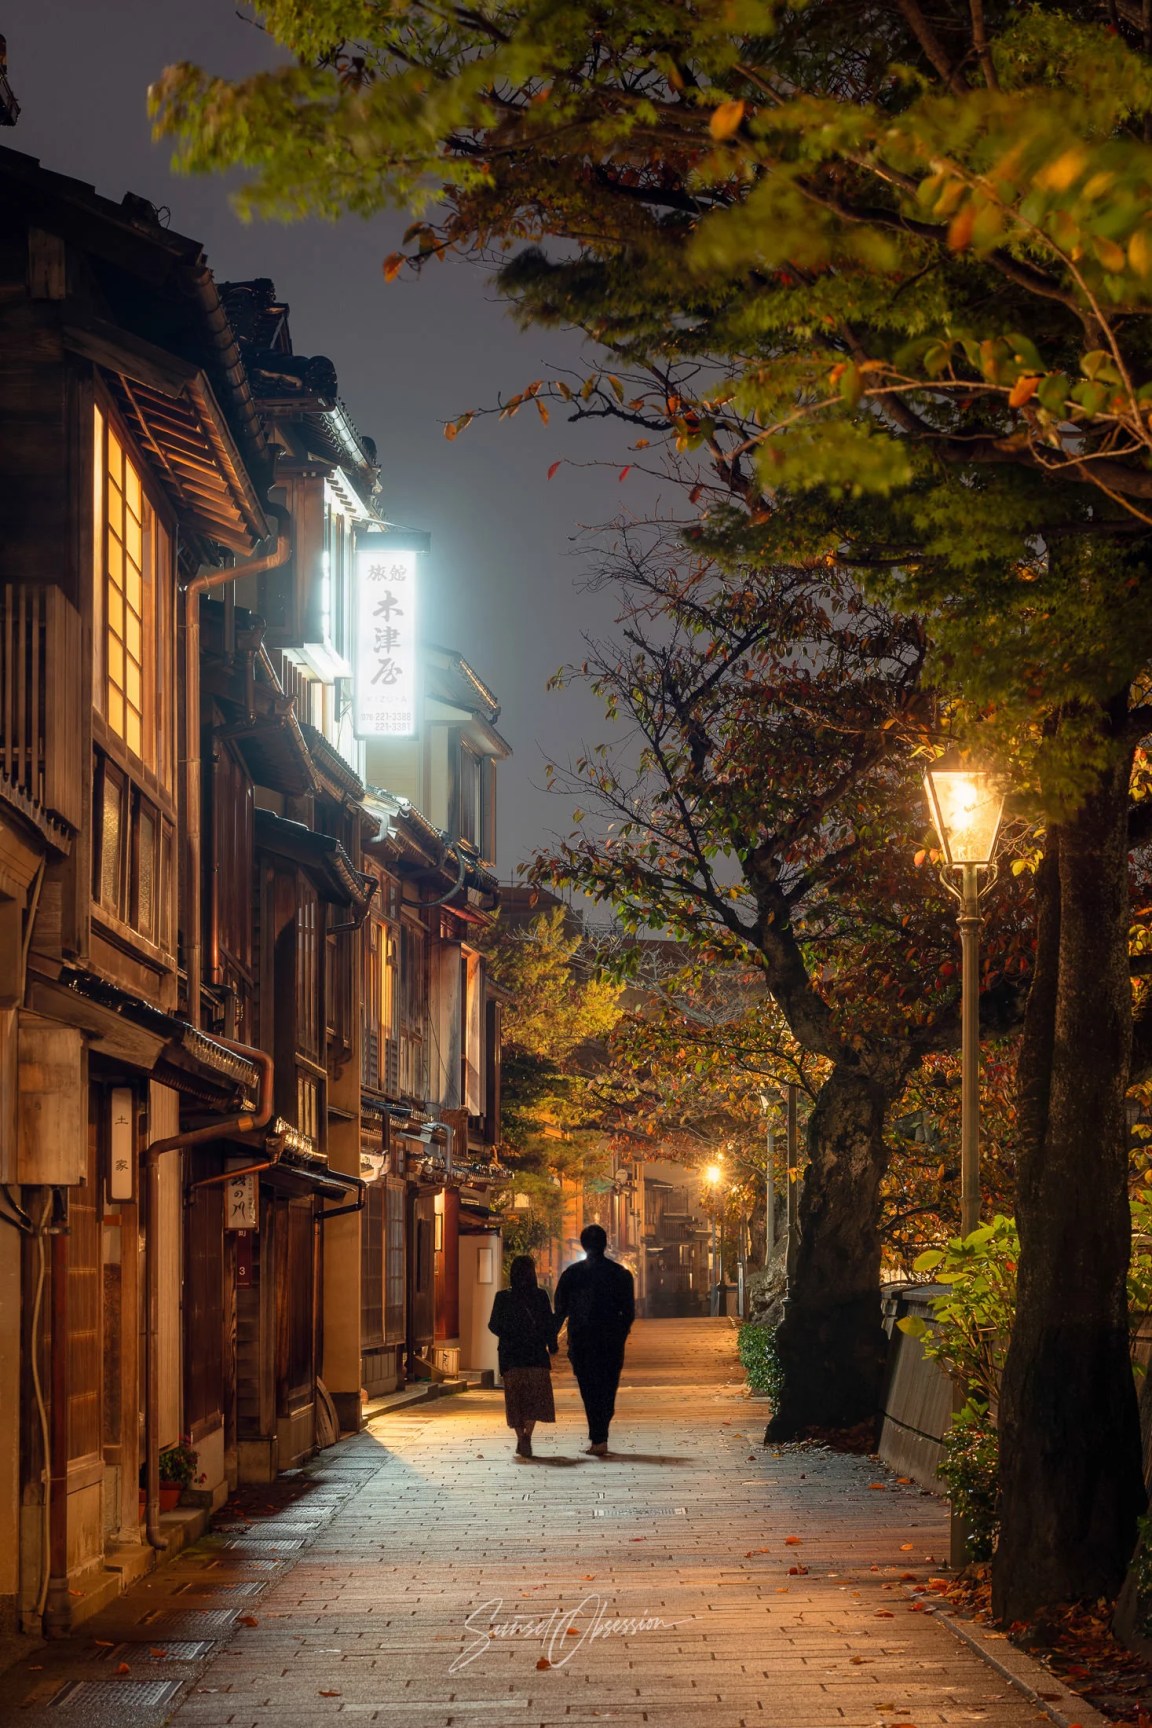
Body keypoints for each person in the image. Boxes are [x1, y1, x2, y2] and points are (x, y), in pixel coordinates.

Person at [554, 1223, 635, 1456]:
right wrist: (621, 1333)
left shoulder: (572, 1275)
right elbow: (628, 1311)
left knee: (588, 1388)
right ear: (605, 1243)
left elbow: (560, 1309)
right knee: (608, 1388)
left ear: (583, 1244)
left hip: (581, 1341)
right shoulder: (620, 1274)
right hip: (610, 1341)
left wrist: (551, 1338)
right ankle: (601, 1435)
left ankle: (598, 1437)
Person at [487, 1255, 558, 1458]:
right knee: (534, 1400)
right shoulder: (541, 1296)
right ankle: (528, 1435)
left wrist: (509, 1334)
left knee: (515, 1400)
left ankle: (520, 1437)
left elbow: (493, 1324)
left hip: (511, 1358)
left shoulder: (502, 1297)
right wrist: (551, 1346)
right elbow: (548, 1325)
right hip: (536, 1356)